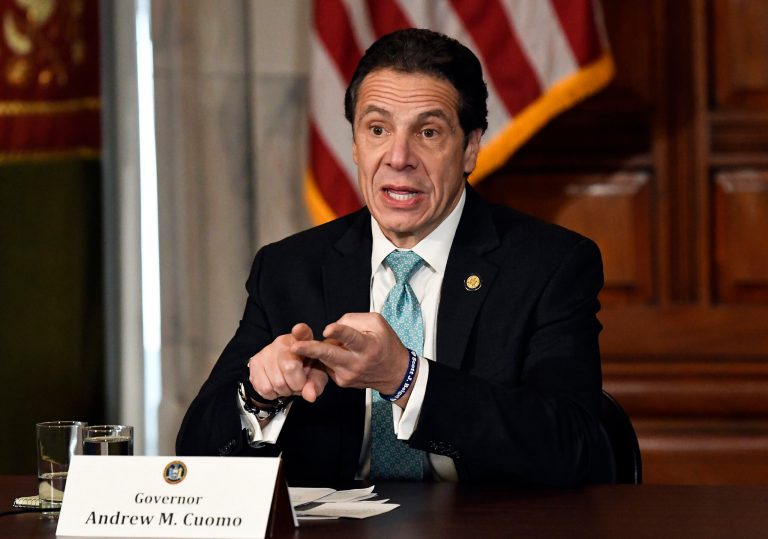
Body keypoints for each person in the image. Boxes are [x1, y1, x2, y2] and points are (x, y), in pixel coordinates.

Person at [176, 28, 614, 486]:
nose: (398, 157)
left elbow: (578, 450)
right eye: (378, 129)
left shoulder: (550, 266)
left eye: (428, 132)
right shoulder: (289, 269)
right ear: (354, 144)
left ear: (470, 148)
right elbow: (194, 453)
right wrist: (259, 396)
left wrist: (406, 379)